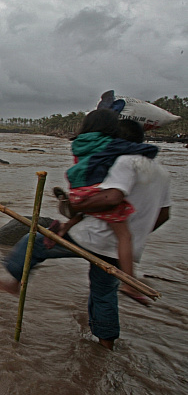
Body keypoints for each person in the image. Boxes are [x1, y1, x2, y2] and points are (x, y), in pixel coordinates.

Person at [0, 111, 171, 350]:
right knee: (104, 293)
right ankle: (105, 345)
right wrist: (136, 234)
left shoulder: (125, 162)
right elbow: (164, 215)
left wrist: (76, 205)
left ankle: (14, 282)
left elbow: (112, 197)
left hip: (94, 236)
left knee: (31, 241)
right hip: (122, 248)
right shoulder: (161, 172)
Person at [52, 110, 159, 304]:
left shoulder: (80, 143)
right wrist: (147, 149)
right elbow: (114, 196)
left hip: (78, 188)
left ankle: (69, 213)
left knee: (85, 207)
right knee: (124, 235)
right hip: (97, 193)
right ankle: (130, 283)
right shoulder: (114, 148)